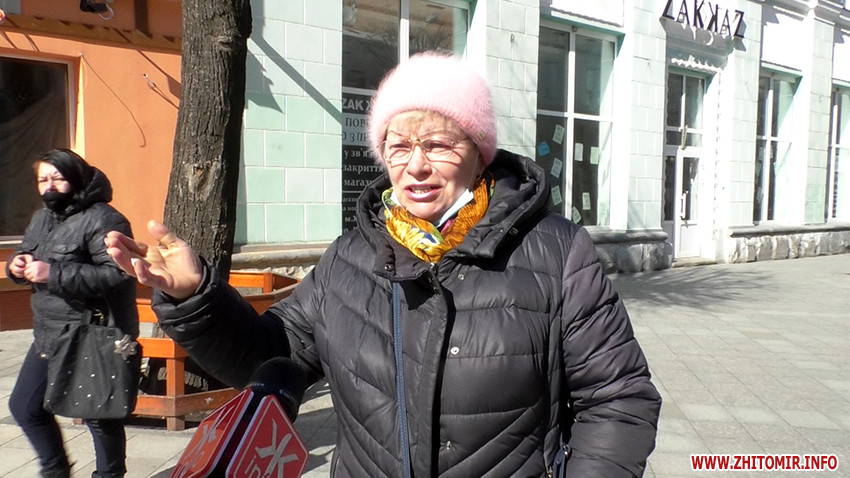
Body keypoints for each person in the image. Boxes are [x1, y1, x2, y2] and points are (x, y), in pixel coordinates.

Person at [105, 52, 661, 477]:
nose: (416, 165)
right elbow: (270, 353)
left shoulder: (556, 252)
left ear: (478, 152)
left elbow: (618, 400)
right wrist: (195, 296)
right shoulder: (349, 257)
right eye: (398, 146)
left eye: (438, 144)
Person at [6, 149, 138, 478]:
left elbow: (118, 275)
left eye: (57, 178)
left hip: (90, 333)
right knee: (25, 406)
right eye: (42, 180)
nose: (49, 186)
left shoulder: (104, 218)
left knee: (99, 415)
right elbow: (26, 251)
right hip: (49, 332)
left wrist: (53, 273)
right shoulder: (43, 218)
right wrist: (16, 265)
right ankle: (56, 471)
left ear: (76, 178)